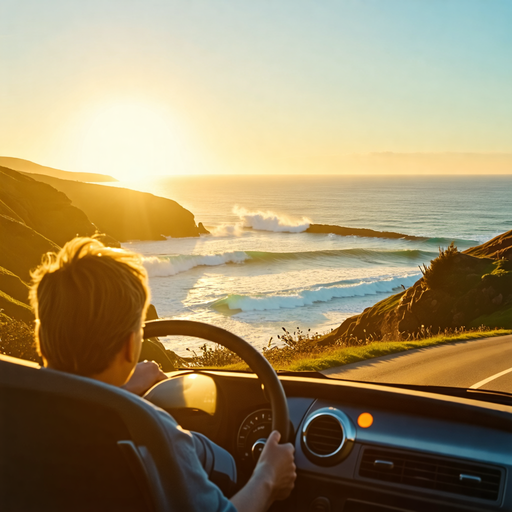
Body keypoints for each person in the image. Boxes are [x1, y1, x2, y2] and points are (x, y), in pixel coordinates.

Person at [29, 237, 296, 512]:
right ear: (131, 347)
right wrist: (268, 478)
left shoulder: (16, 408)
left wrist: (117, 391)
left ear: (40, 335)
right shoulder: (155, 435)